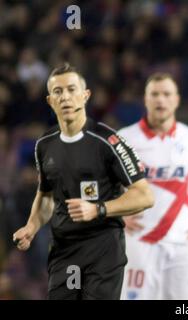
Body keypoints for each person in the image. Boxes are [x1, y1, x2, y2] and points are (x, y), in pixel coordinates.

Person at [13, 63, 154, 300]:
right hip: (64, 250)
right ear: (50, 101)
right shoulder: (44, 144)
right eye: (58, 92)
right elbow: (46, 195)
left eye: (71, 89)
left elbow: (144, 195)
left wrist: (99, 208)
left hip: (103, 250)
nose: (65, 96)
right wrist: (32, 226)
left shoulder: (108, 141)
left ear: (85, 95)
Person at [118, 73, 188, 300]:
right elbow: (103, 183)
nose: (160, 100)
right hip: (139, 241)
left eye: (166, 94)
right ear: (145, 100)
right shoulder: (124, 139)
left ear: (176, 100)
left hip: (182, 241)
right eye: (154, 94)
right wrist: (115, 217)